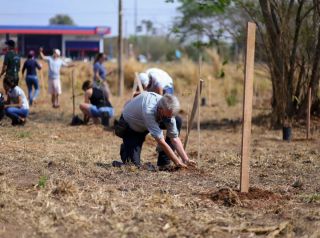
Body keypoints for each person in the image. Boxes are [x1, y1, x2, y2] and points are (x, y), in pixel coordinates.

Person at [115, 92, 196, 169]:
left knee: (177, 120)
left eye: (170, 116)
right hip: (132, 126)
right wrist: (177, 162)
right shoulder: (149, 110)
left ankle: (163, 162)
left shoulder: (168, 110)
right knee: (133, 165)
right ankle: (126, 148)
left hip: (148, 122)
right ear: (160, 110)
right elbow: (161, 141)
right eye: (167, 116)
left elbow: (174, 138)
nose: (169, 118)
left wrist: (186, 160)